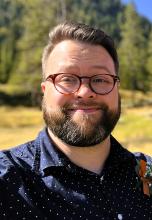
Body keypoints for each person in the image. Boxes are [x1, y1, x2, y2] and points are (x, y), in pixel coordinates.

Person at [0, 22, 152, 220]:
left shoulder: (146, 170)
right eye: (67, 79)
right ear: (44, 92)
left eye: (100, 79)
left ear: (117, 90)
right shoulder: (7, 179)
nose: (85, 92)